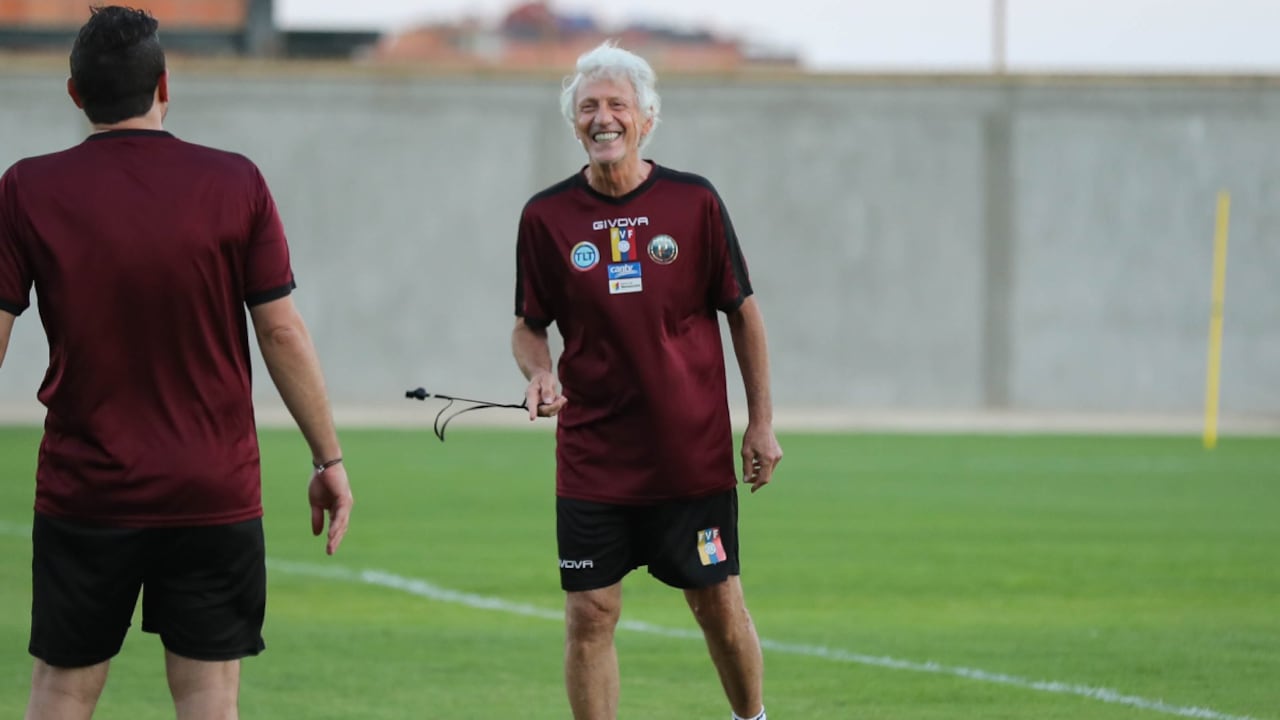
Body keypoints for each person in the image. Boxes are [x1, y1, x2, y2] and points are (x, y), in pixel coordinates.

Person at [0, 7, 354, 719]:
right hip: (211, 489)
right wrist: (328, 459)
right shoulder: (235, 182)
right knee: (208, 698)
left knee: (61, 689)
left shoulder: (26, 188)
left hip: (86, 491)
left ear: (75, 94)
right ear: (165, 85)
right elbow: (281, 333)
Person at [511, 40, 783, 720]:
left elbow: (743, 314)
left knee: (717, 605)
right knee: (589, 614)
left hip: (688, 455)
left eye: (617, 105)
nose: (602, 118)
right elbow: (528, 325)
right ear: (574, 123)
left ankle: (751, 719)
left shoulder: (694, 201)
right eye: (588, 107)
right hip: (593, 456)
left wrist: (762, 422)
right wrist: (539, 371)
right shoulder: (545, 217)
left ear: (647, 119)